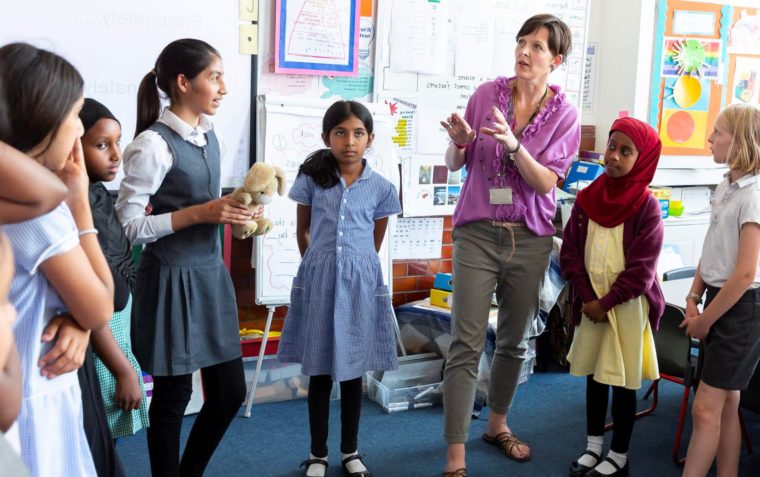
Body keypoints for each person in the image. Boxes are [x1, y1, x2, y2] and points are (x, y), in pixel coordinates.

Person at [438, 13, 579, 475]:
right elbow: (458, 161)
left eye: (538, 47)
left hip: (530, 239)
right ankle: (454, 452)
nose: (525, 51)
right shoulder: (486, 95)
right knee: (466, 342)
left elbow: (544, 185)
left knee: (515, 342)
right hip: (477, 232)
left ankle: (497, 424)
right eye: (522, 42)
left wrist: (515, 145)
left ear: (555, 61)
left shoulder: (566, 115)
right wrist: (460, 144)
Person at [115, 38, 251, 476]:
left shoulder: (210, 135)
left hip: (210, 275)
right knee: (173, 400)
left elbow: (209, 203)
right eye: (215, 77)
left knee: (229, 393)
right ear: (182, 82)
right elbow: (129, 228)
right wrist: (199, 213)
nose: (224, 87)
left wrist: (240, 209)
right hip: (170, 279)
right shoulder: (151, 145)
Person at [0, 42, 115, 476]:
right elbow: (103, 304)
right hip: (33, 399)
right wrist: (80, 207)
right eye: (75, 116)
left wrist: (78, 318)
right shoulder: (42, 215)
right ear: (43, 121)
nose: (80, 133)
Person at [277, 100, 402, 477]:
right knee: (318, 370)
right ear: (326, 137)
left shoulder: (381, 187)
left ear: (371, 139)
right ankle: (318, 453)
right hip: (319, 280)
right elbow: (304, 230)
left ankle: (350, 451)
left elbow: (376, 237)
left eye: (358, 133)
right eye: (341, 133)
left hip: (360, 284)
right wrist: (319, 262)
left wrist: (354, 266)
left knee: (352, 371)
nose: (350, 141)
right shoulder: (312, 179)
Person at [560, 117, 664, 477]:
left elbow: (642, 269)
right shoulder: (588, 198)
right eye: (611, 147)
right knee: (594, 375)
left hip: (626, 307)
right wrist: (589, 298)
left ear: (644, 158)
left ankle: (619, 455)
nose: (614, 157)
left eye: (626, 151)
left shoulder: (646, 206)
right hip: (592, 306)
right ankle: (593, 447)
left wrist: (606, 303)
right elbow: (571, 253)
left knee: (621, 379)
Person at [681, 104, 760, 477]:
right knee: (727, 403)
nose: (710, 138)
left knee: (704, 409)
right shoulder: (727, 184)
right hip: (717, 299)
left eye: (718, 133)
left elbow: (744, 274)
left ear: (741, 141)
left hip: (744, 307)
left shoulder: (754, 195)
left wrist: (705, 321)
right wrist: (694, 298)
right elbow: (711, 249)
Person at [76, 98, 150, 477]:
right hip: (99, 347)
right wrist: (123, 370)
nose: (116, 155)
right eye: (102, 145)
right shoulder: (76, 205)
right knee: (92, 445)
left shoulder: (100, 196)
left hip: (116, 334)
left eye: (117, 142)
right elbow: (89, 298)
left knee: (106, 442)